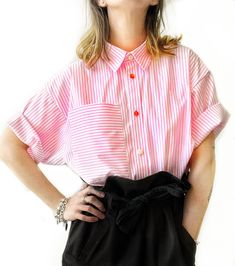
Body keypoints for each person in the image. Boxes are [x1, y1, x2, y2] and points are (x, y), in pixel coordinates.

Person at [0, 0, 231, 265]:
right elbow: (9, 145)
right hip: (99, 234)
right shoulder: (75, 79)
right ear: (100, 1)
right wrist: (60, 205)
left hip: (166, 230)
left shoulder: (186, 67)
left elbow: (205, 159)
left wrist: (184, 240)